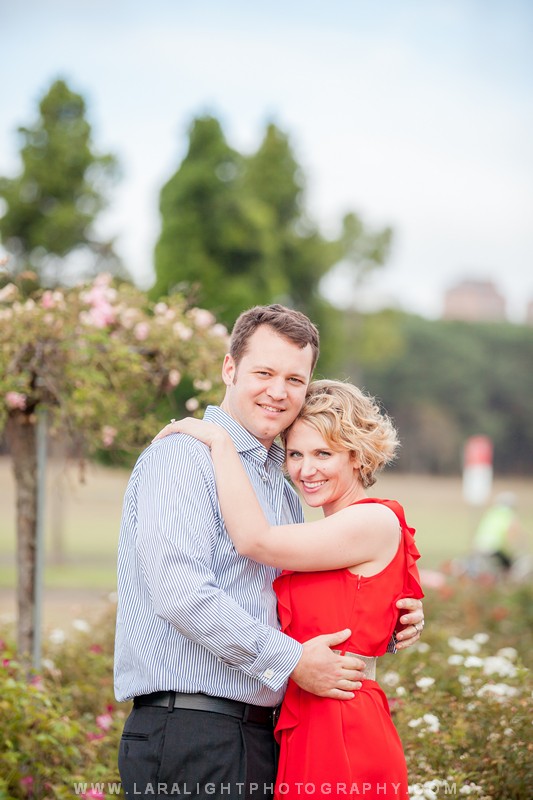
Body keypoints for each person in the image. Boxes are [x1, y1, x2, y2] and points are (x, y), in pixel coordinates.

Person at [114, 304, 424, 800]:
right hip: (191, 730)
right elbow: (179, 592)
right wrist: (291, 661)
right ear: (229, 369)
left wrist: (386, 614)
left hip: (267, 734)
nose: (278, 391)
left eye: (294, 379)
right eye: (263, 372)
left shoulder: (279, 486)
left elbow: (307, 607)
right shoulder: (184, 457)